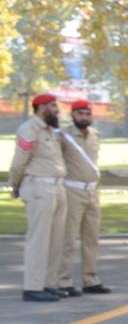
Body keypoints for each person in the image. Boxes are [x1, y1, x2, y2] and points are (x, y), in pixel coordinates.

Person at [11, 92, 70, 303]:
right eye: (53, 106)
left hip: (57, 187)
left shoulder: (52, 132)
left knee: (55, 240)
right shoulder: (30, 129)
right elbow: (20, 160)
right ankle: (32, 286)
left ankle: (48, 283)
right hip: (39, 187)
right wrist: (15, 184)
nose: (56, 110)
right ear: (42, 107)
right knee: (39, 239)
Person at [58, 99, 108, 294]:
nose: (84, 117)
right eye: (80, 113)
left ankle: (91, 279)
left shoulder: (95, 135)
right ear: (72, 115)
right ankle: (64, 280)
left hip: (92, 192)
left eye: (87, 113)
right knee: (68, 237)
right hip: (72, 190)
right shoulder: (64, 136)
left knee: (91, 237)